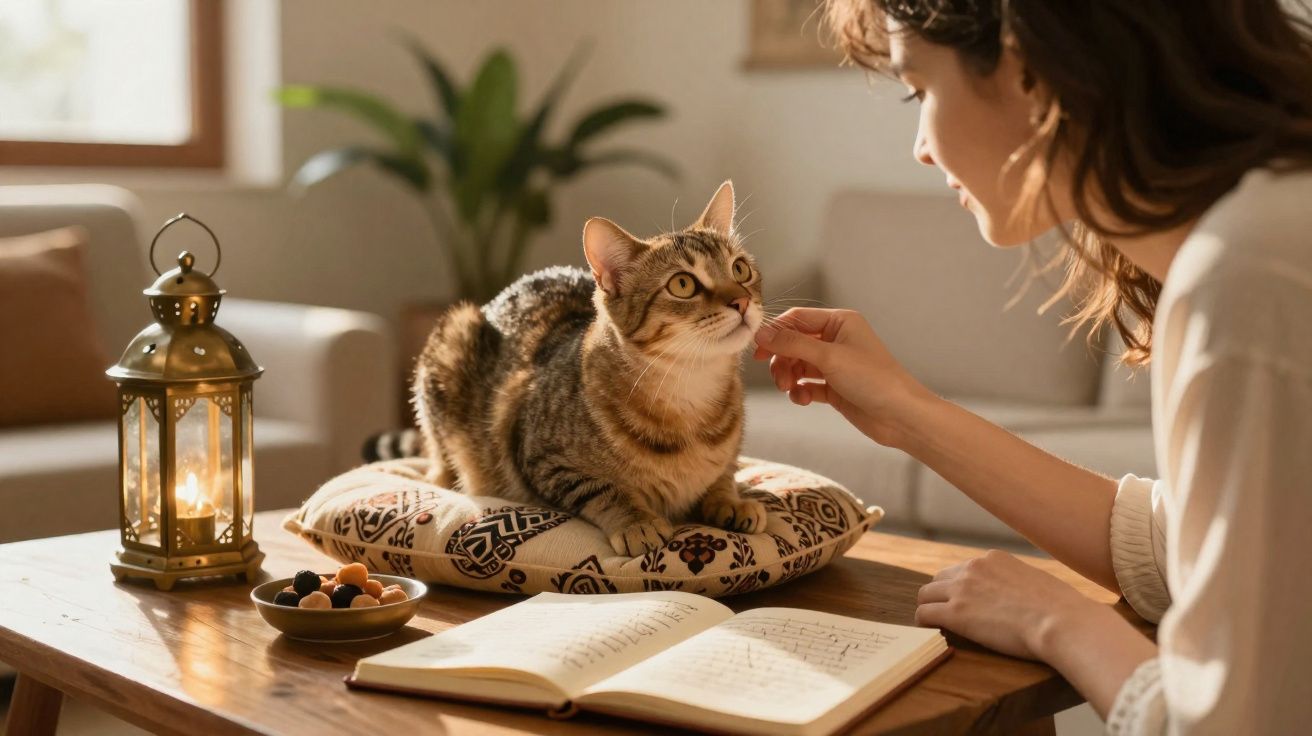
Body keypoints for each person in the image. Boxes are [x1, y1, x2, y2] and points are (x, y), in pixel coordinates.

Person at [752, 1, 1312, 733]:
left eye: (919, 90)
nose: (920, 148)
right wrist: (903, 411)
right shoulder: (1265, 226)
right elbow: (1180, 548)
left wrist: (1059, 621)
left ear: (1025, 68)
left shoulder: (1249, 276)